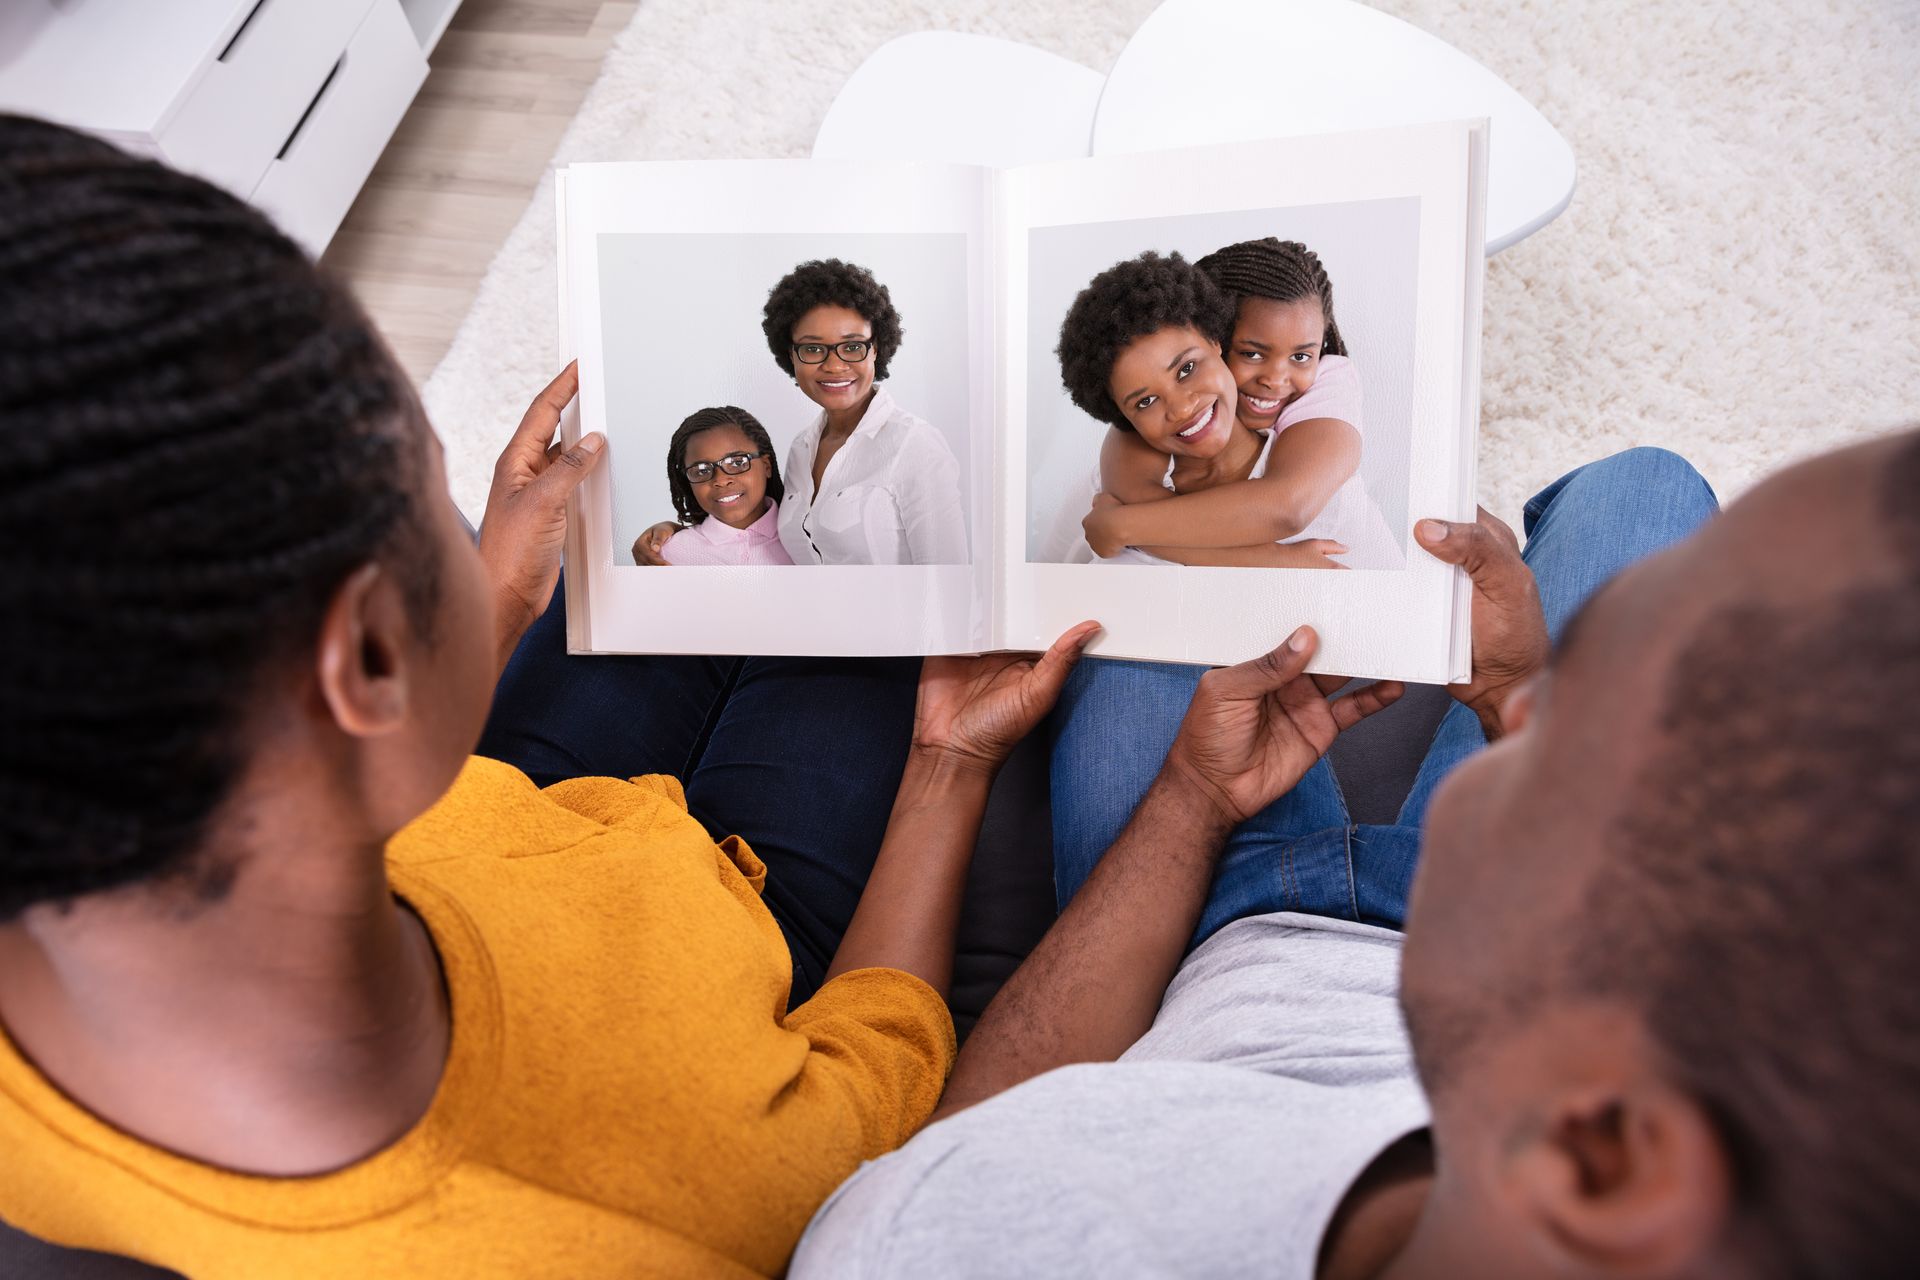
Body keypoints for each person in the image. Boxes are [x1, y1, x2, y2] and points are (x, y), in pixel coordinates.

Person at [0, 115, 1095, 1278]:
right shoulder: (688, 1196)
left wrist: (482, 605)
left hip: (486, 803)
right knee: (863, 611)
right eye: (433, 498)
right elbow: (876, 1058)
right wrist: (948, 762)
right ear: (366, 659)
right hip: (730, 932)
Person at [796, 427, 1920, 1278]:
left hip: (1201, 932)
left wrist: (1193, 803)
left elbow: (982, 1147)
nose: (1548, 712)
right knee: (1648, 486)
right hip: (1422, 900)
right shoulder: (1658, 1128)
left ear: (1603, 1158)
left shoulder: (943, 1242)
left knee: (1156, 570)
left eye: (1645, 758)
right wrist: (1510, 690)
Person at [1087, 237, 1400, 570]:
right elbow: (1143, 511)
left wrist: (1121, 527)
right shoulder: (1156, 409)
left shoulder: (1327, 384)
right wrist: (1274, 560)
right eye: (1251, 353)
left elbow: (1288, 509)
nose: (1276, 380)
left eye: (1300, 356)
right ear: (1214, 339)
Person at [634, 258, 969, 566]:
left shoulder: (914, 445)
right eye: (813, 348)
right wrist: (678, 536)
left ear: (876, 349)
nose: (834, 365)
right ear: (791, 355)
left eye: (852, 346)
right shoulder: (801, 449)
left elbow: (949, 582)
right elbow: (758, 534)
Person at [655, 405, 795, 566]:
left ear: (766, 466)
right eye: (702, 470)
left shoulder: (805, 538)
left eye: (737, 463)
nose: (720, 480)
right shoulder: (669, 554)